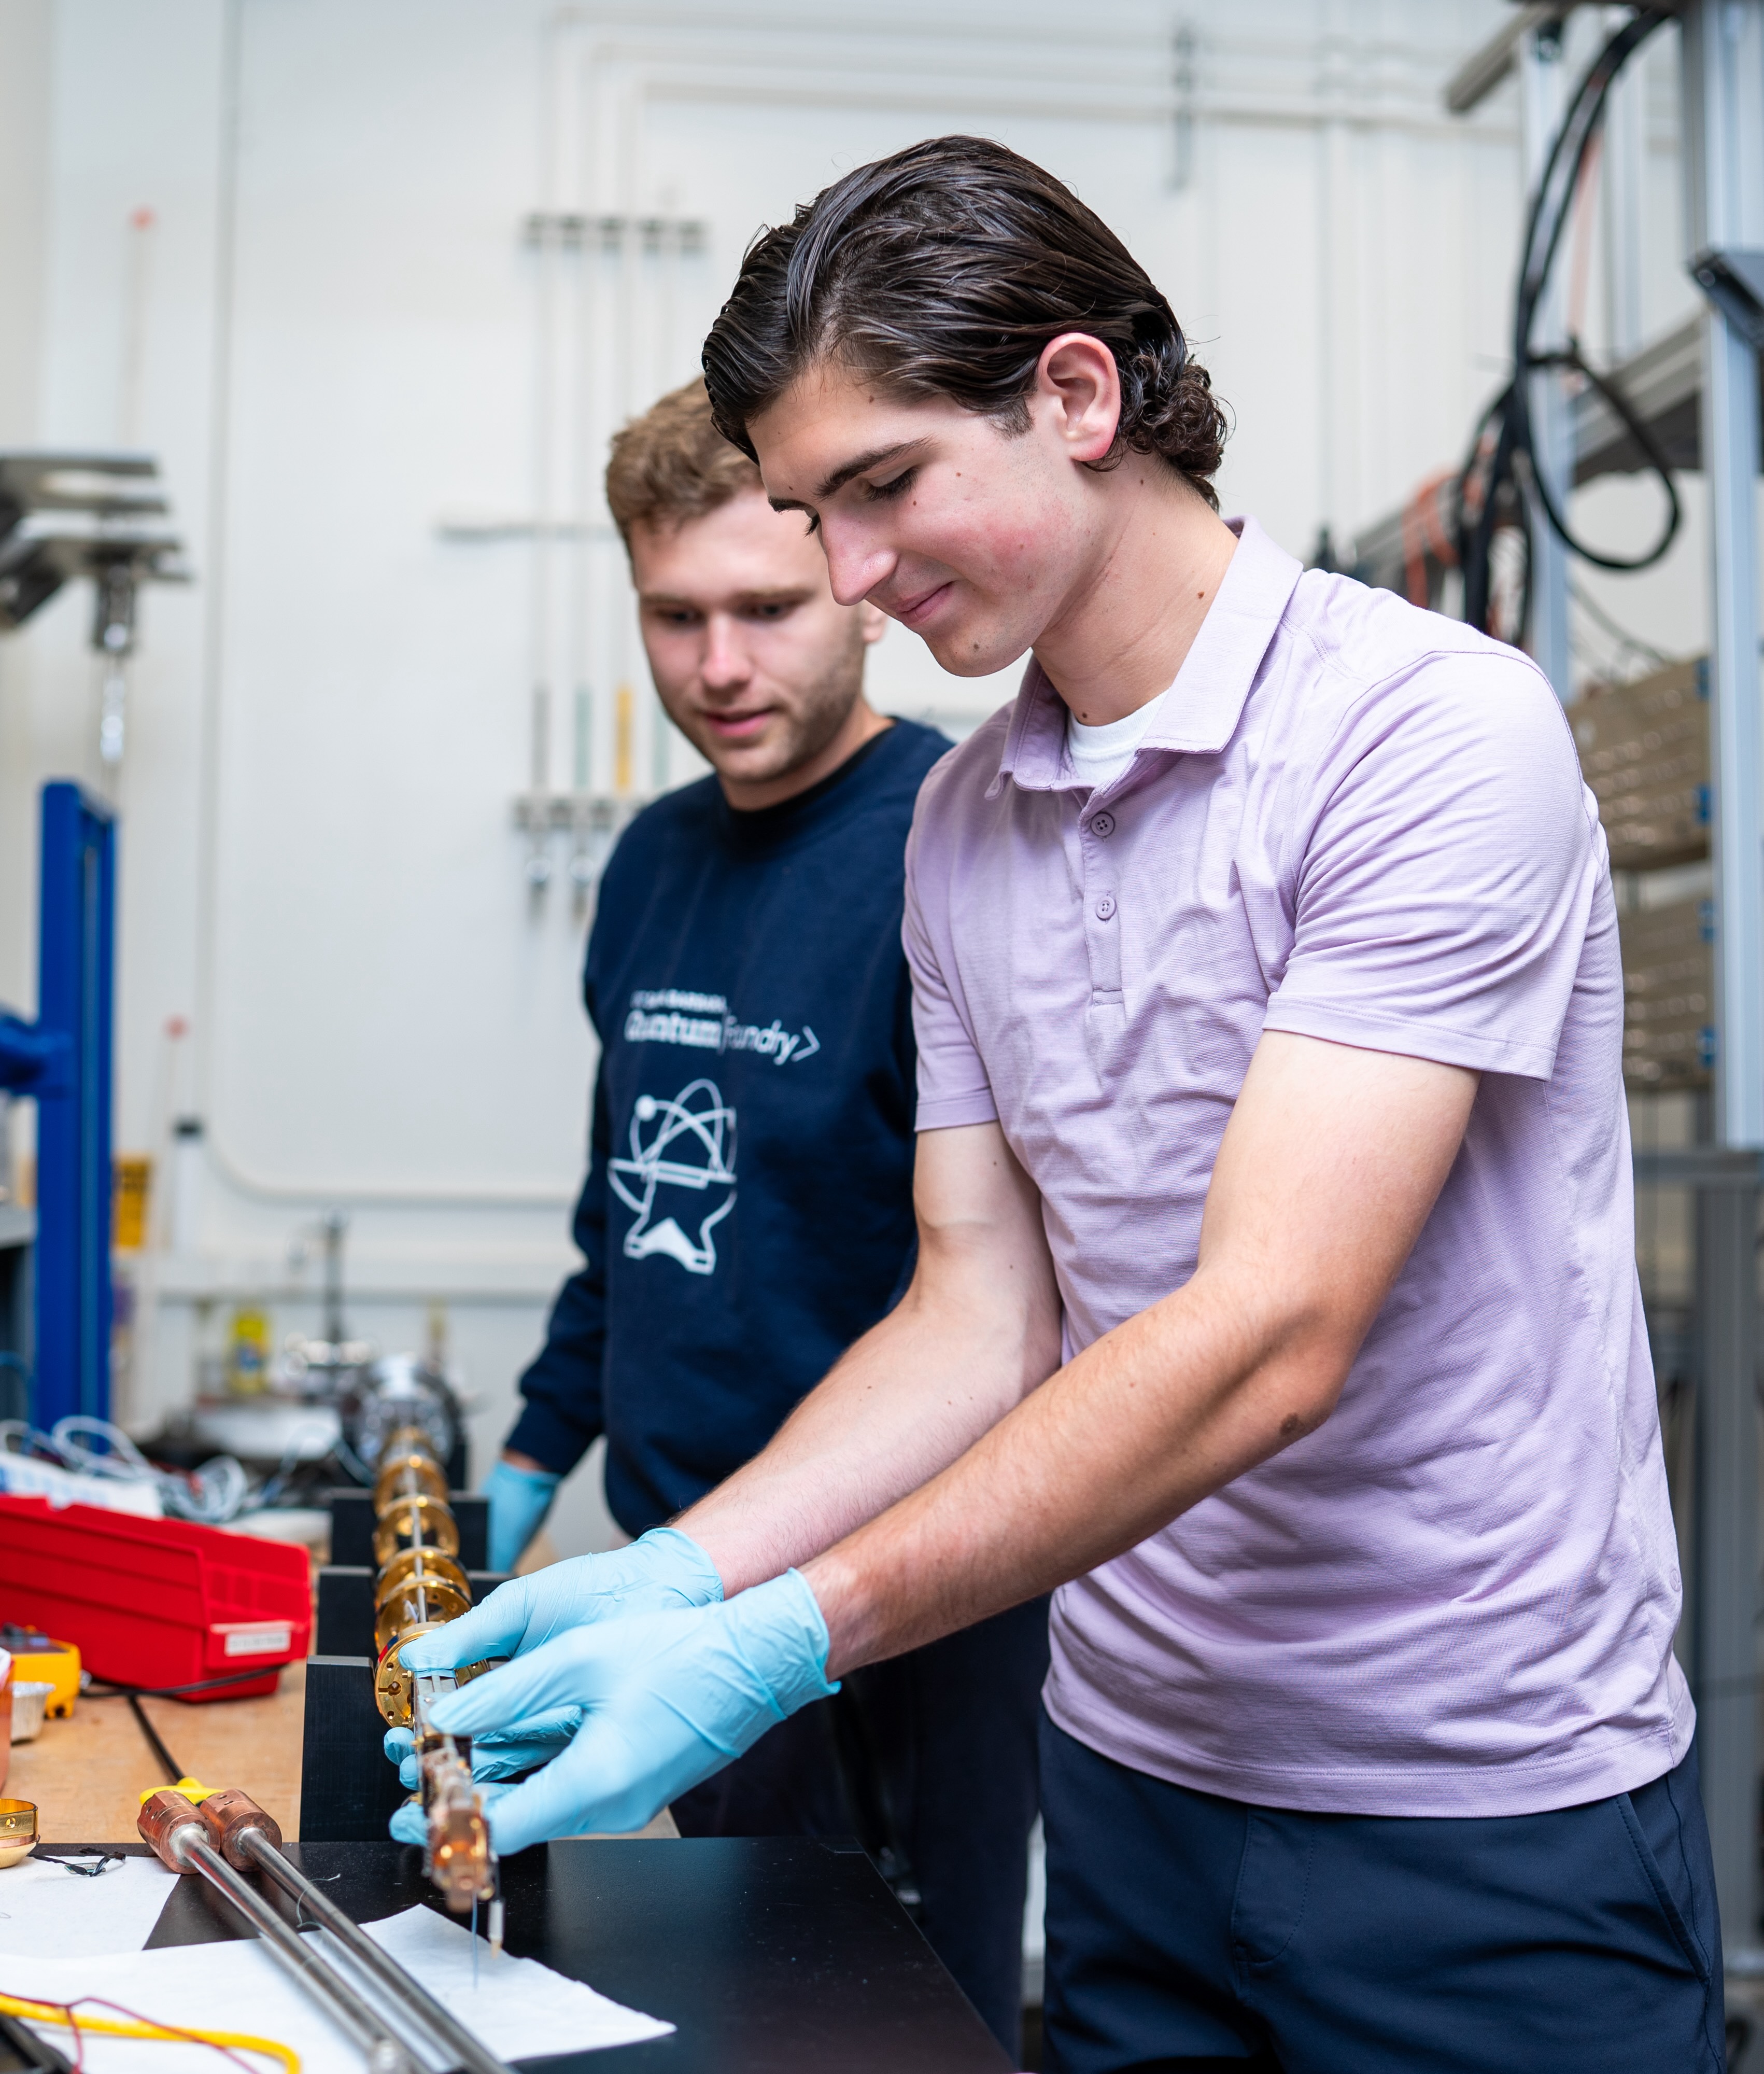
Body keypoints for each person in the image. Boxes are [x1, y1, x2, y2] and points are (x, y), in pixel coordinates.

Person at [405, 141, 1720, 2073]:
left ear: (1077, 396)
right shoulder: (963, 818)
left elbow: (1271, 1333)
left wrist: (786, 1631)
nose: (846, 576)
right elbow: (978, 1310)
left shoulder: (1423, 732)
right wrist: (682, 1566)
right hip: (1129, 1777)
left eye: (880, 490)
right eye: (805, 511)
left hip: (1474, 1803)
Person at [428, 375, 1047, 2058]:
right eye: (673, 615)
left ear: (848, 574)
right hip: (668, 1564)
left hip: (905, 1605)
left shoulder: (961, 841)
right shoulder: (650, 865)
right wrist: (533, 1465)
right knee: (701, 2016)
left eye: (765, 609)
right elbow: (621, 1210)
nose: (718, 666)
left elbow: (1019, 1289)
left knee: (899, 2026)